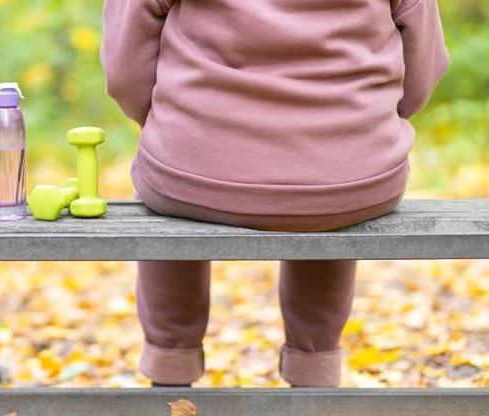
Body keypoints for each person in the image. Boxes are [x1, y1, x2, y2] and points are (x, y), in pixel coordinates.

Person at [101, 0, 448, 387]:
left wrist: (170, 127)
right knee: (330, 190)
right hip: (353, 175)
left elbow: (124, 67)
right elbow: (424, 63)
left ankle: (171, 363)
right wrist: (366, 127)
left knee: (173, 185)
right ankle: (314, 368)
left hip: (192, 167)